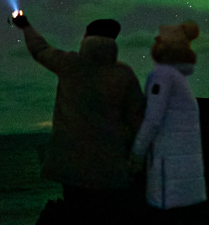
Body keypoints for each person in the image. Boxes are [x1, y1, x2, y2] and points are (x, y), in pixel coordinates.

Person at [12, 12, 145, 220]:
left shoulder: (69, 64)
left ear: (87, 39)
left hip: (73, 168)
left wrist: (25, 26)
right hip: (110, 169)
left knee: (78, 214)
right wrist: (138, 162)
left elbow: (40, 49)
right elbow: (138, 119)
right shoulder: (123, 74)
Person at [131, 21, 209, 224]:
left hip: (168, 173)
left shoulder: (162, 75)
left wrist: (137, 154)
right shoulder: (180, 80)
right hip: (188, 177)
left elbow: (153, 119)